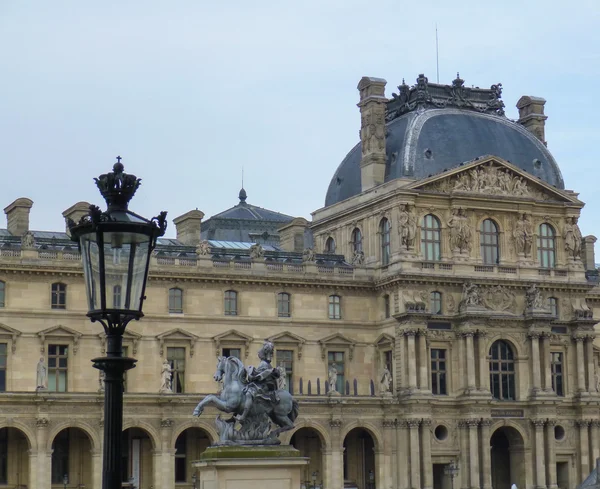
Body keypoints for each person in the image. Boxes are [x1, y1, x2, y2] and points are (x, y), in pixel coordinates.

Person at [237, 341, 280, 422]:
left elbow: (258, 376)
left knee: (249, 393)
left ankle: (243, 416)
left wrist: (250, 373)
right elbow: (259, 374)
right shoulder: (266, 363)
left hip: (263, 387)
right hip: (263, 386)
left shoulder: (263, 364)